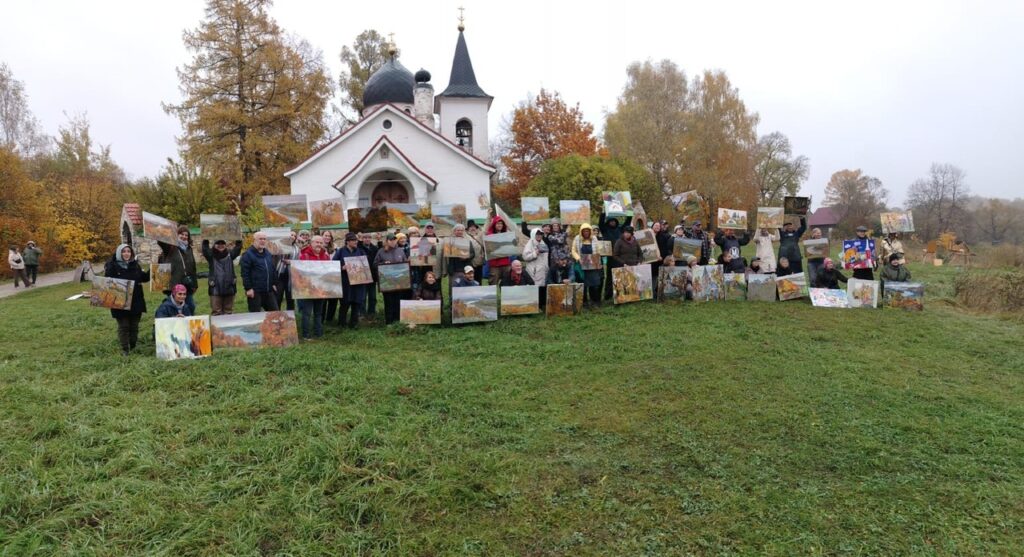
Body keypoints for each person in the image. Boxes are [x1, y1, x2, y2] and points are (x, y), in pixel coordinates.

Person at [104, 243, 150, 355]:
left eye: (128, 251)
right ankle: (125, 349)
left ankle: (133, 345)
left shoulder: (135, 265)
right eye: (124, 251)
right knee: (124, 326)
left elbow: (143, 278)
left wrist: (152, 270)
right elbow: (107, 284)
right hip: (120, 302)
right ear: (119, 253)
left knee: (134, 326)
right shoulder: (112, 267)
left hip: (136, 301)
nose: (126, 253)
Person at [297, 235, 330, 339]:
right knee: (307, 313)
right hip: (308, 289)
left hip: (321, 289)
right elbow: (299, 273)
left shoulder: (325, 256)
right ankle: (306, 335)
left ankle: (318, 333)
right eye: (317, 242)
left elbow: (329, 271)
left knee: (318, 313)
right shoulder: (304, 255)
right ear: (311, 243)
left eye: (321, 243)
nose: (319, 245)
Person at [160, 225, 198, 314]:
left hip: (186, 285)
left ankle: (188, 324)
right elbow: (162, 242)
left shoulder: (189, 249)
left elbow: (193, 268)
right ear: (176, 235)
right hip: (174, 283)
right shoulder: (170, 248)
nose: (184, 237)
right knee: (174, 308)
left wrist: (195, 284)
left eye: (186, 235)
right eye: (181, 234)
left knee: (190, 306)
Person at [374, 233, 410, 325]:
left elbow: (405, 262)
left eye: (394, 240)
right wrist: (383, 264)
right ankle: (389, 321)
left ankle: (397, 320)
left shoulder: (400, 251)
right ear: (387, 241)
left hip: (399, 282)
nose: (393, 242)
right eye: (391, 240)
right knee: (388, 301)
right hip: (387, 282)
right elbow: (375, 264)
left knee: (398, 300)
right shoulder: (381, 251)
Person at [333, 232, 367, 329]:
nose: (356, 242)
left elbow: (366, 264)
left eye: (356, 240)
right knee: (344, 303)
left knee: (357, 303)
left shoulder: (360, 251)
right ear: (347, 242)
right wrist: (341, 267)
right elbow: (333, 265)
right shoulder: (340, 251)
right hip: (345, 283)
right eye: (353, 240)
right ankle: (342, 324)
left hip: (358, 283)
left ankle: (354, 324)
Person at [201, 239, 242, 315]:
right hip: (215, 288)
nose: (220, 245)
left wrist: (239, 242)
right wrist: (205, 242)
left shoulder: (230, 254)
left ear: (225, 245)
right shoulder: (210, 255)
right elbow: (205, 250)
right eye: (218, 243)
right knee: (216, 312)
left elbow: (237, 249)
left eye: (222, 243)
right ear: (214, 245)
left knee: (228, 311)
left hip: (229, 287)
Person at [240, 231, 279, 312]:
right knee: (255, 315)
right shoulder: (247, 255)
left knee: (275, 314)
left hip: (268, 290)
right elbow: (245, 273)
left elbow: (272, 269)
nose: (263, 241)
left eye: (264, 239)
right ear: (254, 240)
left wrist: (274, 283)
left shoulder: (267, 253)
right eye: (260, 239)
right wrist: (248, 288)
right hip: (255, 291)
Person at [571, 222, 603, 307]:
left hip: (592, 266)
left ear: (590, 232)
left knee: (594, 284)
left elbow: (598, 250)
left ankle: (594, 301)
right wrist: (578, 258)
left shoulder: (594, 239)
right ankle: (583, 302)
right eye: (584, 231)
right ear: (581, 231)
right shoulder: (577, 238)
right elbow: (573, 250)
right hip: (581, 266)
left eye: (587, 231)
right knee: (582, 284)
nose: (586, 233)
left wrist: (597, 260)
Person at [522, 228, 550, 307]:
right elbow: (525, 257)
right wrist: (535, 253)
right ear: (533, 235)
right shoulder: (529, 244)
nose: (539, 236)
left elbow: (545, 258)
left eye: (540, 234)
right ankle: (534, 305)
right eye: (537, 234)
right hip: (534, 269)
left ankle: (542, 304)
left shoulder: (543, 244)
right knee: (535, 287)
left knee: (542, 287)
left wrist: (546, 267)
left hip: (543, 269)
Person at [484, 215, 513, 284]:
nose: (500, 225)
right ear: (494, 224)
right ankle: (492, 295)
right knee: (493, 282)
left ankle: (505, 295)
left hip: (505, 263)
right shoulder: (489, 235)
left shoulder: (506, 235)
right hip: (494, 264)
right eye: (498, 223)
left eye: (501, 223)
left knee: (507, 282)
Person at [360, 232, 380, 318]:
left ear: (371, 238)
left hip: (372, 276)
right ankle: (362, 313)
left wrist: (379, 240)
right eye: (365, 237)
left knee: (372, 296)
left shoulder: (374, 248)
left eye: (368, 237)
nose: (367, 239)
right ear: (362, 239)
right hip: (362, 276)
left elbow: (381, 250)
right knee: (363, 297)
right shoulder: (359, 248)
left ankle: (371, 312)